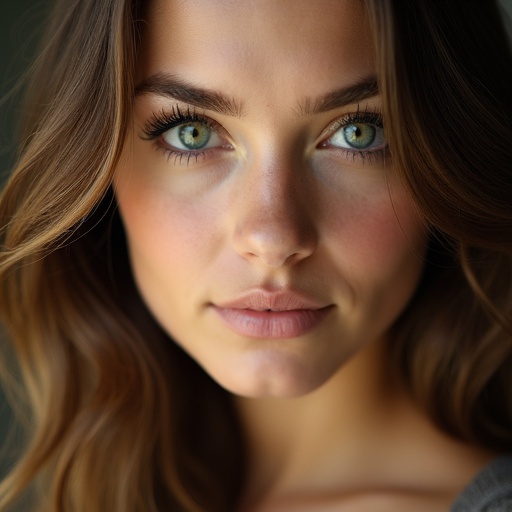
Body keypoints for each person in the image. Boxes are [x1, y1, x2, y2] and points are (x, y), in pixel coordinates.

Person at [0, 0, 511, 510]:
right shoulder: (107, 487)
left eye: (360, 133)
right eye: (191, 132)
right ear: (94, 165)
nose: (271, 236)